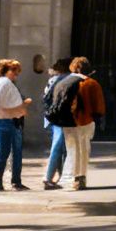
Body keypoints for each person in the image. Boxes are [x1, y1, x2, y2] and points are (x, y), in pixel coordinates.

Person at [0, 59, 29, 193]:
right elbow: (13, 105)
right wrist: (24, 105)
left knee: (0, 150)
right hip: (5, 120)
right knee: (3, 152)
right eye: (15, 72)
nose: (16, 76)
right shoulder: (7, 84)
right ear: (8, 71)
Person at [66, 57, 106, 191]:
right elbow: (99, 106)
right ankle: (81, 177)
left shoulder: (66, 82)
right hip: (85, 120)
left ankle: (73, 176)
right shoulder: (91, 84)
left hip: (68, 121)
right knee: (83, 149)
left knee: (71, 149)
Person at [40, 57, 77, 191]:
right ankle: (49, 177)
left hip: (52, 117)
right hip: (62, 117)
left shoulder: (52, 79)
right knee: (59, 147)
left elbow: (45, 98)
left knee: (59, 147)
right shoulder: (68, 79)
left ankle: (57, 177)